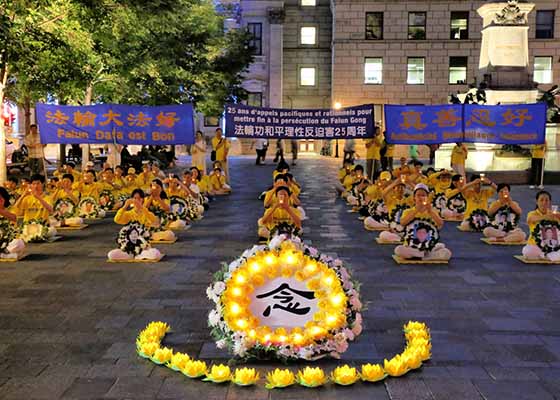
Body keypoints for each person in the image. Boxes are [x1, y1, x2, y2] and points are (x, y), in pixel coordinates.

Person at [394, 183, 452, 261]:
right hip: (412, 245)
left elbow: (440, 224)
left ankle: (422, 255)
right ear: (414, 198)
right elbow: (403, 223)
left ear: (427, 198)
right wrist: (416, 210)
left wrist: (430, 211)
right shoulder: (408, 211)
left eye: (423, 195)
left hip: (428, 245)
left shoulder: (433, 211)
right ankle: (424, 255)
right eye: (418, 195)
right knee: (398, 250)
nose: (421, 197)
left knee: (446, 253)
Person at [108, 189, 162, 261]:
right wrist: (125, 206)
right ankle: (132, 255)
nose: (136, 201)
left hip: (143, 246)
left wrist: (141, 207)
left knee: (155, 254)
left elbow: (154, 221)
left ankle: (139, 255)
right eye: (135, 198)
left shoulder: (146, 212)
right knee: (112, 255)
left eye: (139, 199)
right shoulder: (129, 214)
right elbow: (117, 219)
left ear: (142, 200)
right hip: (129, 246)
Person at [13, 174, 57, 241]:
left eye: (38, 183)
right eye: (33, 184)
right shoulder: (27, 198)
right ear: (31, 185)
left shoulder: (48, 197)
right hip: (28, 227)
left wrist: (38, 197)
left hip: (42, 227)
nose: (36, 186)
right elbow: (15, 209)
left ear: (43, 184)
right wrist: (23, 195)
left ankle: (32, 237)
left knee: (52, 230)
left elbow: (51, 210)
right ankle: (34, 237)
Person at [522, 191, 560, 261]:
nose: (544, 203)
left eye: (546, 200)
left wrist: (557, 216)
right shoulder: (532, 214)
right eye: (541, 200)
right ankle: (549, 256)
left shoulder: (554, 214)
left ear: (550, 202)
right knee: (527, 252)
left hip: (552, 245)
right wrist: (546, 217)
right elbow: (530, 219)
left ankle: (546, 255)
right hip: (536, 245)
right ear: (537, 202)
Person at [0, 188, 26, 259]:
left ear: (4, 198)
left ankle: (4, 253)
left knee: (19, 243)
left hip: (9, 242)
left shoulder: (12, 208)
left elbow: (13, 218)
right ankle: (4, 255)